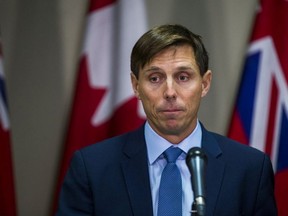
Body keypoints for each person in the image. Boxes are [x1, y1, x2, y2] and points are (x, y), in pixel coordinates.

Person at [56, 24, 277, 216]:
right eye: (155, 78)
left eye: (183, 77)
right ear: (135, 86)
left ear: (205, 83)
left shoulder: (250, 169)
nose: (170, 92)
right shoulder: (92, 168)